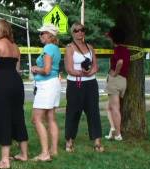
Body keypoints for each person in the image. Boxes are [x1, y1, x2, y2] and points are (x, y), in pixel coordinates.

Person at [0, 19, 28, 169]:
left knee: (3, 117)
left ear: (2, 29)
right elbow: (17, 68)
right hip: (16, 82)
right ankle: (23, 153)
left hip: (2, 84)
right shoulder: (15, 47)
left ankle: (4, 161)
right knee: (18, 116)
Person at [64, 22, 104, 152]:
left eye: (82, 30)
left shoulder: (90, 47)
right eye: (76, 30)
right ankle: (69, 141)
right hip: (75, 83)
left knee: (93, 111)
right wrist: (81, 73)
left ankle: (97, 141)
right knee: (73, 112)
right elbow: (69, 69)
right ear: (72, 33)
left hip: (91, 83)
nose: (80, 32)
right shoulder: (69, 48)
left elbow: (96, 66)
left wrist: (90, 72)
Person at [31, 24, 61, 161]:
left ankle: (44, 154)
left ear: (50, 35)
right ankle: (53, 150)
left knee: (36, 119)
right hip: (54, 83)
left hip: (46, 85)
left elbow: (47, 70)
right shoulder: (56, 48)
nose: (40, 35)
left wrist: (36, 69)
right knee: (51, 118)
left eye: (42, 33)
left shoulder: (48, 48)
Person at [105, 26, 130, 141]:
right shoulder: (125, 49)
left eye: (110, 37)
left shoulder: (118, 49)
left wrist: (115, 72)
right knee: (109, 107)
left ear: (113, 38)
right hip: (123, 80)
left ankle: (118, 134)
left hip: (116, 80)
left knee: (115, 108)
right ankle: (113, 129)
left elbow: (120, 61)